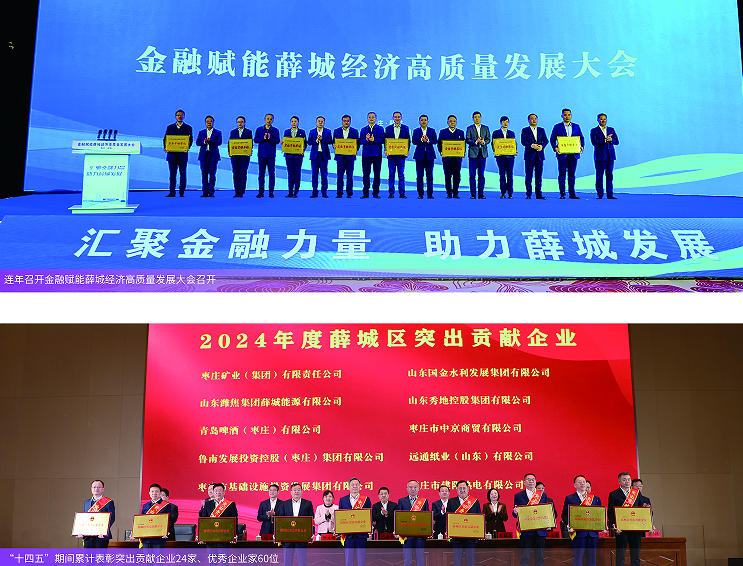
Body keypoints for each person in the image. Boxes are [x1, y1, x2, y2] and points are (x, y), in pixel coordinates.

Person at [561, 475, 602, 566]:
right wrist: (569, 524)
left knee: (592, 560)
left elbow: (600, 514)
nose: (582, 483)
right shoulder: (570, 498)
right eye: (579, 482)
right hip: (578, 533)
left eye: (584, 481)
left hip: (592, 533)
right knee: (578, 559)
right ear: (574, 485)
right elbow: (564, 515)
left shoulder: (595, 499)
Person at [512, 473, 549, 566]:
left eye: (533, 479)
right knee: (525, 557)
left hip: (540, 530)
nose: (531, 481)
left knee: (540, 558)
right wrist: (515, 512)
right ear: (524, 482)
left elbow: (545, 511)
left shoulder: (542, 495)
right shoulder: (518, 495)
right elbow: (514, 514)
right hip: (526, 530)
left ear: (535, 482)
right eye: (528, 479)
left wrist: (548, 523)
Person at [608, 472, 643, 566]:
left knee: (635, 555)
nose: (627, 481)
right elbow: (610, 511)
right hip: (621, 528)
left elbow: (641, 510)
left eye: (628, 479)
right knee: (620, 555)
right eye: (624, 480)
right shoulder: (614, 494)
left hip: (635, 528)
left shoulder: (636, 493)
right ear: (619, 481)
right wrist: (614, 525)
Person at [550, 108, 584, 199]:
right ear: (562, 116)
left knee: (572, 175)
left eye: (569, 115)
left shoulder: (576, 126)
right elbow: (552, 139)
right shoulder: (557, 127)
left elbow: (581, 138)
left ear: (571, 116)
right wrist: (555, 148)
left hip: (573, 154)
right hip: (562, 154)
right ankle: (562, 193)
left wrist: (582, 146)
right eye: (565, 115)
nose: (567, 117)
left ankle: (572, 194)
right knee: (562, 174)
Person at [277, 483, 314, 566]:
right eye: (294, 490)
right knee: (287, 563)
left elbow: (312, 520)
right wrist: (278, 534)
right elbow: (281, 520)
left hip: (302, 537)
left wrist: (312, 533)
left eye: (298, 490)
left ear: (302, 491)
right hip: (287, 537)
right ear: (291, 492)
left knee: (302, 562)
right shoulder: (284, 504)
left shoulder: (307, 503)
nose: (296, 492)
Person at [338, 477, 372, 566]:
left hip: (362, 534)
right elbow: (340, 517)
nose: (355, 486)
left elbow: (369, 515)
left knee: (361, 561)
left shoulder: (366, 499)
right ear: (349, 487)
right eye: (352, 485)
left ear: (360, 486)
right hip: (348, 535)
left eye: (357, 484)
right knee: (348, 561)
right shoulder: (343, 500)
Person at [447, 480, 480, 566]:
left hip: (471, 537)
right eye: (460, 488)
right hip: (456, 536)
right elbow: (448, 518)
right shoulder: (451, 501)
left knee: (470, 562)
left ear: (468, 489)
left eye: (464, 488)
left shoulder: (474, 502)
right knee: (457, 562)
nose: (462, 490)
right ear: (457, 490)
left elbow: (479, 518)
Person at [397, 480, 429, 566]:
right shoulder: (402, 501)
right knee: (407, 562)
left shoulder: (424, 501)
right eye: (410, 487)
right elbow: (399, 517)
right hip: (406, 535)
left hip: (420, 535)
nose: (413, 489)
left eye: (415, 487)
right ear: (407, 489)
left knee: (420, 562)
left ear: (418, 489)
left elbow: (427, 517)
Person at [164, 109, 193, 197]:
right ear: (175, 116)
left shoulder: (188, 128)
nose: (179, 116)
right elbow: (166, 139)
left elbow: (190, 140)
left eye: (181, 115)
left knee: (182, 174)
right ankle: (172, 192)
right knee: (172, 175)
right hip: (172, 155)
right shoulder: (170, 127)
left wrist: (187, 147)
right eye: (178, 115)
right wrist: (166, 147)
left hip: (182, 155)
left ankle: (181, 192)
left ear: (184, 116)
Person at [199, 482, 238, 548]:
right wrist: (202, 535)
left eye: (220, 490)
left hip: (224, 538)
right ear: (213, 492)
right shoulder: (208, 504)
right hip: (211, 538)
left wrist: (234, 535)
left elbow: (234, 521)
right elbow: (204, 521)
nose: (218, 492)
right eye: (216, 491)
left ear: (224, 492)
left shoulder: (230, 504)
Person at [590, 113, 619, 199]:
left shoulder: (611, 129)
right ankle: (599, 194)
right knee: (599, 176)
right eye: (601, 119)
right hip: (600, 157)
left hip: (610, 156)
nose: (603, 121)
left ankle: (610, 194)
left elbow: (617, 141)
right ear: (598, 120)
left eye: (605, 119)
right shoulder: (594, 130)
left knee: (609, 176)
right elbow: (594, 142)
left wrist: (611, 140)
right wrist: (605, 140)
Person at [521, 114, 549, 199]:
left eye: (535, 118)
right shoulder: (525, 130)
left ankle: (538, 194)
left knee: (539, 176)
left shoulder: (541, 130)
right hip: (529, 156)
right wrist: (531, 145)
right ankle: (528, 194)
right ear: (528, 120)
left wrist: (542, 146)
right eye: (532, 119)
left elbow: (546, 140)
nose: (534, 120)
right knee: (528, 175)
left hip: (539, 156)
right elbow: (523, 141)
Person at [80, 479, 115, 548]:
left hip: (101, 536)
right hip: (88, 536)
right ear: (91, 489)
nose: (96, 489)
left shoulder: (108, 502)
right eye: (94, 487)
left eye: (99, 487)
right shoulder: (86, 502)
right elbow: (84, 518)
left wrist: (104, 530)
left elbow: (112, 518)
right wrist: (81, 530)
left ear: (103, 489)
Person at [359, 112, 385, 199]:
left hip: (377, 154)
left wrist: (374, 140)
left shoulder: (380, 129)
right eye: (369, 117)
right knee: (366, 174)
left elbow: (383, 140)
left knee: (377, 174)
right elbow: (360, 141)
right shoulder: (363, 129)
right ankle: (365, 193)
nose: (371, 119)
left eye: (373, 117)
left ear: (376, 118)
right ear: (367, 119)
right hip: (366, 155)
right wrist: (366, 140)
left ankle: (375, 193)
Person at [438, 115, 465, 199]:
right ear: (447, 122)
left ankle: (456, 193)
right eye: (450, 121)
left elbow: (463, 144)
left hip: (457, 159)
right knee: (447, 176)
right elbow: (439, 144)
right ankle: (449, 193)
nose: (452, 123)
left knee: (457, 176)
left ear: (456, 122)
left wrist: (463, 153)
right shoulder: (443, 132)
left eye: (454, 121)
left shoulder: (460, 132)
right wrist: (441, 152)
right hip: (447, 158)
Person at [465, 111, 491, 199]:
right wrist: (476, 142)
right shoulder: (469, 128)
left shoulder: (485, 128)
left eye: (478, 117)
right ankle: (473, 194)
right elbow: (467, 139)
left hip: (482, 154)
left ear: (481, 118)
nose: (477, 118)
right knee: (472, 175)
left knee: (481, 175)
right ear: (473, 119)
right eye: (475, 117)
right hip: (473, 154)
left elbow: (488, 139)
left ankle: (481, 194)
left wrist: (483, 142)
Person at [384, 111, 410, 198]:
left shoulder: (405, 128)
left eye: (399, 117)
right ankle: (391, 193)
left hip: (401, 155)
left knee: (401, 174)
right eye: (395, 117)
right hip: (391, 155)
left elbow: (408, 141)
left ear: (401, 118)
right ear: (393, 118)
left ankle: (402, 193)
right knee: (391, 174)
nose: (397, 118)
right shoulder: (388, 128)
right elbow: (386, 141)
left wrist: (407, 150)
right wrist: (386, 150)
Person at [411, 115, 437, 199]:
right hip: (419, 156)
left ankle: (430, 194)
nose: (423, 121)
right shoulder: (416, 131)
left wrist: (428, 140)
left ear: (427, 121)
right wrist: (421, 140)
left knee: (429, 176)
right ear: (419, 121)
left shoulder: (432, 130)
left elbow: (435, 140)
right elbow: (414, 141)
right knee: (419, 176)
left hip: (430, 156)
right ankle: (420, 194)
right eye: (422, 120)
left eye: (425, 120)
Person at [255, 113, 280, 197]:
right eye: (267, 119)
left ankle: (271, 192)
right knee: (261, 174)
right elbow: (255, 140)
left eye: (271, 119)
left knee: (271, 174)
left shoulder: (275, 130)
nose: (269, 120)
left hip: (271, 155)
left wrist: (270, 138)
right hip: (261, 155)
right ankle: (261, 192)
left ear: (273, 120)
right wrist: (263, 138)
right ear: (264, 119)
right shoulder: (259, 129)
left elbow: (277, 141)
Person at [196, 116, 222, 197]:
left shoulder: (218, 132)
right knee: (204, 174)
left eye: (211, 121)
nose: (209, 123)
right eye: (207, 121)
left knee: (212, 174)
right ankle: (204, 192)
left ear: (213, 122)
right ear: (205, 123)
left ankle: (211, 192)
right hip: (204, 156)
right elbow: (197, 142)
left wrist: (210, 141)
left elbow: (219, 142)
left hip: (213, 155)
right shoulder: (201, 132)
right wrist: (204, 142)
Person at [333, 115, 359, 198]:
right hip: (340, 157)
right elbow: (334, 142)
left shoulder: (354, 131)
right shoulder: (336, 131)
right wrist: (334, 145)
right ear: (342, 121)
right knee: (339, 175)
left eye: (348, 121)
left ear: (350, 122)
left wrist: (355, 150)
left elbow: (357, 143)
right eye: (344, 121)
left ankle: (349, 193)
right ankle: (339, 193)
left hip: (350, 157)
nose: (346, 122)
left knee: (350, 175)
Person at [307, 116, 333, 198]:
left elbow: (330, 141)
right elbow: (309, 142)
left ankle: (324, 192)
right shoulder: (312, 131)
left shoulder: (328, 131)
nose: (320, 123)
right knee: (314, 174)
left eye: (322, 121)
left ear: (324, 123)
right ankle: (314, 192)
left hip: (323, 155)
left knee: (324, 174)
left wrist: (322, 139)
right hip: (314, 155)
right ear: (316, 122)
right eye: (319, 121)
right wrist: (316, 141)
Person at [139, 483, 171, 548]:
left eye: (156, 491)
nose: (154, 493)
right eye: (152, 491)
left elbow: (169, 519)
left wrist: (166, 531)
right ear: (149, 493)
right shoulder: (145, 506)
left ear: (160, 493)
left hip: (159, 538)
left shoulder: (166, 505)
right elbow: (142, 520)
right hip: (146, 538)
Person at [493, 116, 517, 198]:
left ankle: (510, 193)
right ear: (501, 123)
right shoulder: (496, 133)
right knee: (502, 174)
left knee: (510, 175)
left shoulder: (511, 133)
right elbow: (494, 144)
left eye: (507, 121)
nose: (505, 123)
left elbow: (514, 143)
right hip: (500, 157)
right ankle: (503, 192)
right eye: (504, 121)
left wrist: (515, 150)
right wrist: (495, 151)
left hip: (510, 157)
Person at [228, 116, 252, 198]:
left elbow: (250, 143)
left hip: (245, 156)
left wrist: (249, 151)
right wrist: (230, 151)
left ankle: (241, 191)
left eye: (241, 122)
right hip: (235, 156)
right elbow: (230, 143)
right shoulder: (233, 132)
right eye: (238, 122)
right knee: (236, 173)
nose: (240, 123)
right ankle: (236, 192)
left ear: (244, 122)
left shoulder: (248, 132)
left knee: (243, 173)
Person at [283, 116, 306, 198]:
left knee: (297, 173)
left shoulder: (302, 132)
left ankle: (296, 192)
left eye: (295, 121)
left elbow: (305, 144)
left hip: (298, 156)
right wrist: (283, 143)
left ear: (298, 122)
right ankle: (290, 192)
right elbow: (285, 142)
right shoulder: (286, 132)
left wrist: (303, 149)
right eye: (292, 121)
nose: (294, 123)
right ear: (290, 122)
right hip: (289, 156)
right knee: (290, 173)